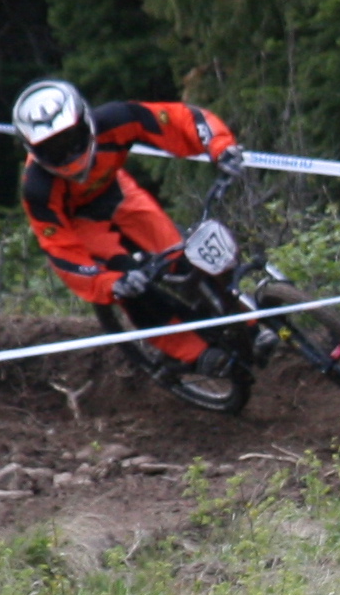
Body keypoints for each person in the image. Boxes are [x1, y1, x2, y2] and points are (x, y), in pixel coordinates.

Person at [13, 79, 256, 376]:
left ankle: (248, 322)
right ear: (33, 149)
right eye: (52, 149)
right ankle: (193, 352)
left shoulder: (115, 119)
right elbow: (60, 251)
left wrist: (220, 146)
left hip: (119, 195)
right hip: (80, 225)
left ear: (86, 123)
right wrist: (108, 282)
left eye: (71, 139)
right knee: (130, 287)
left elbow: (179, 119)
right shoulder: (37, 188)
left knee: (181, 255)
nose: (66, 154)